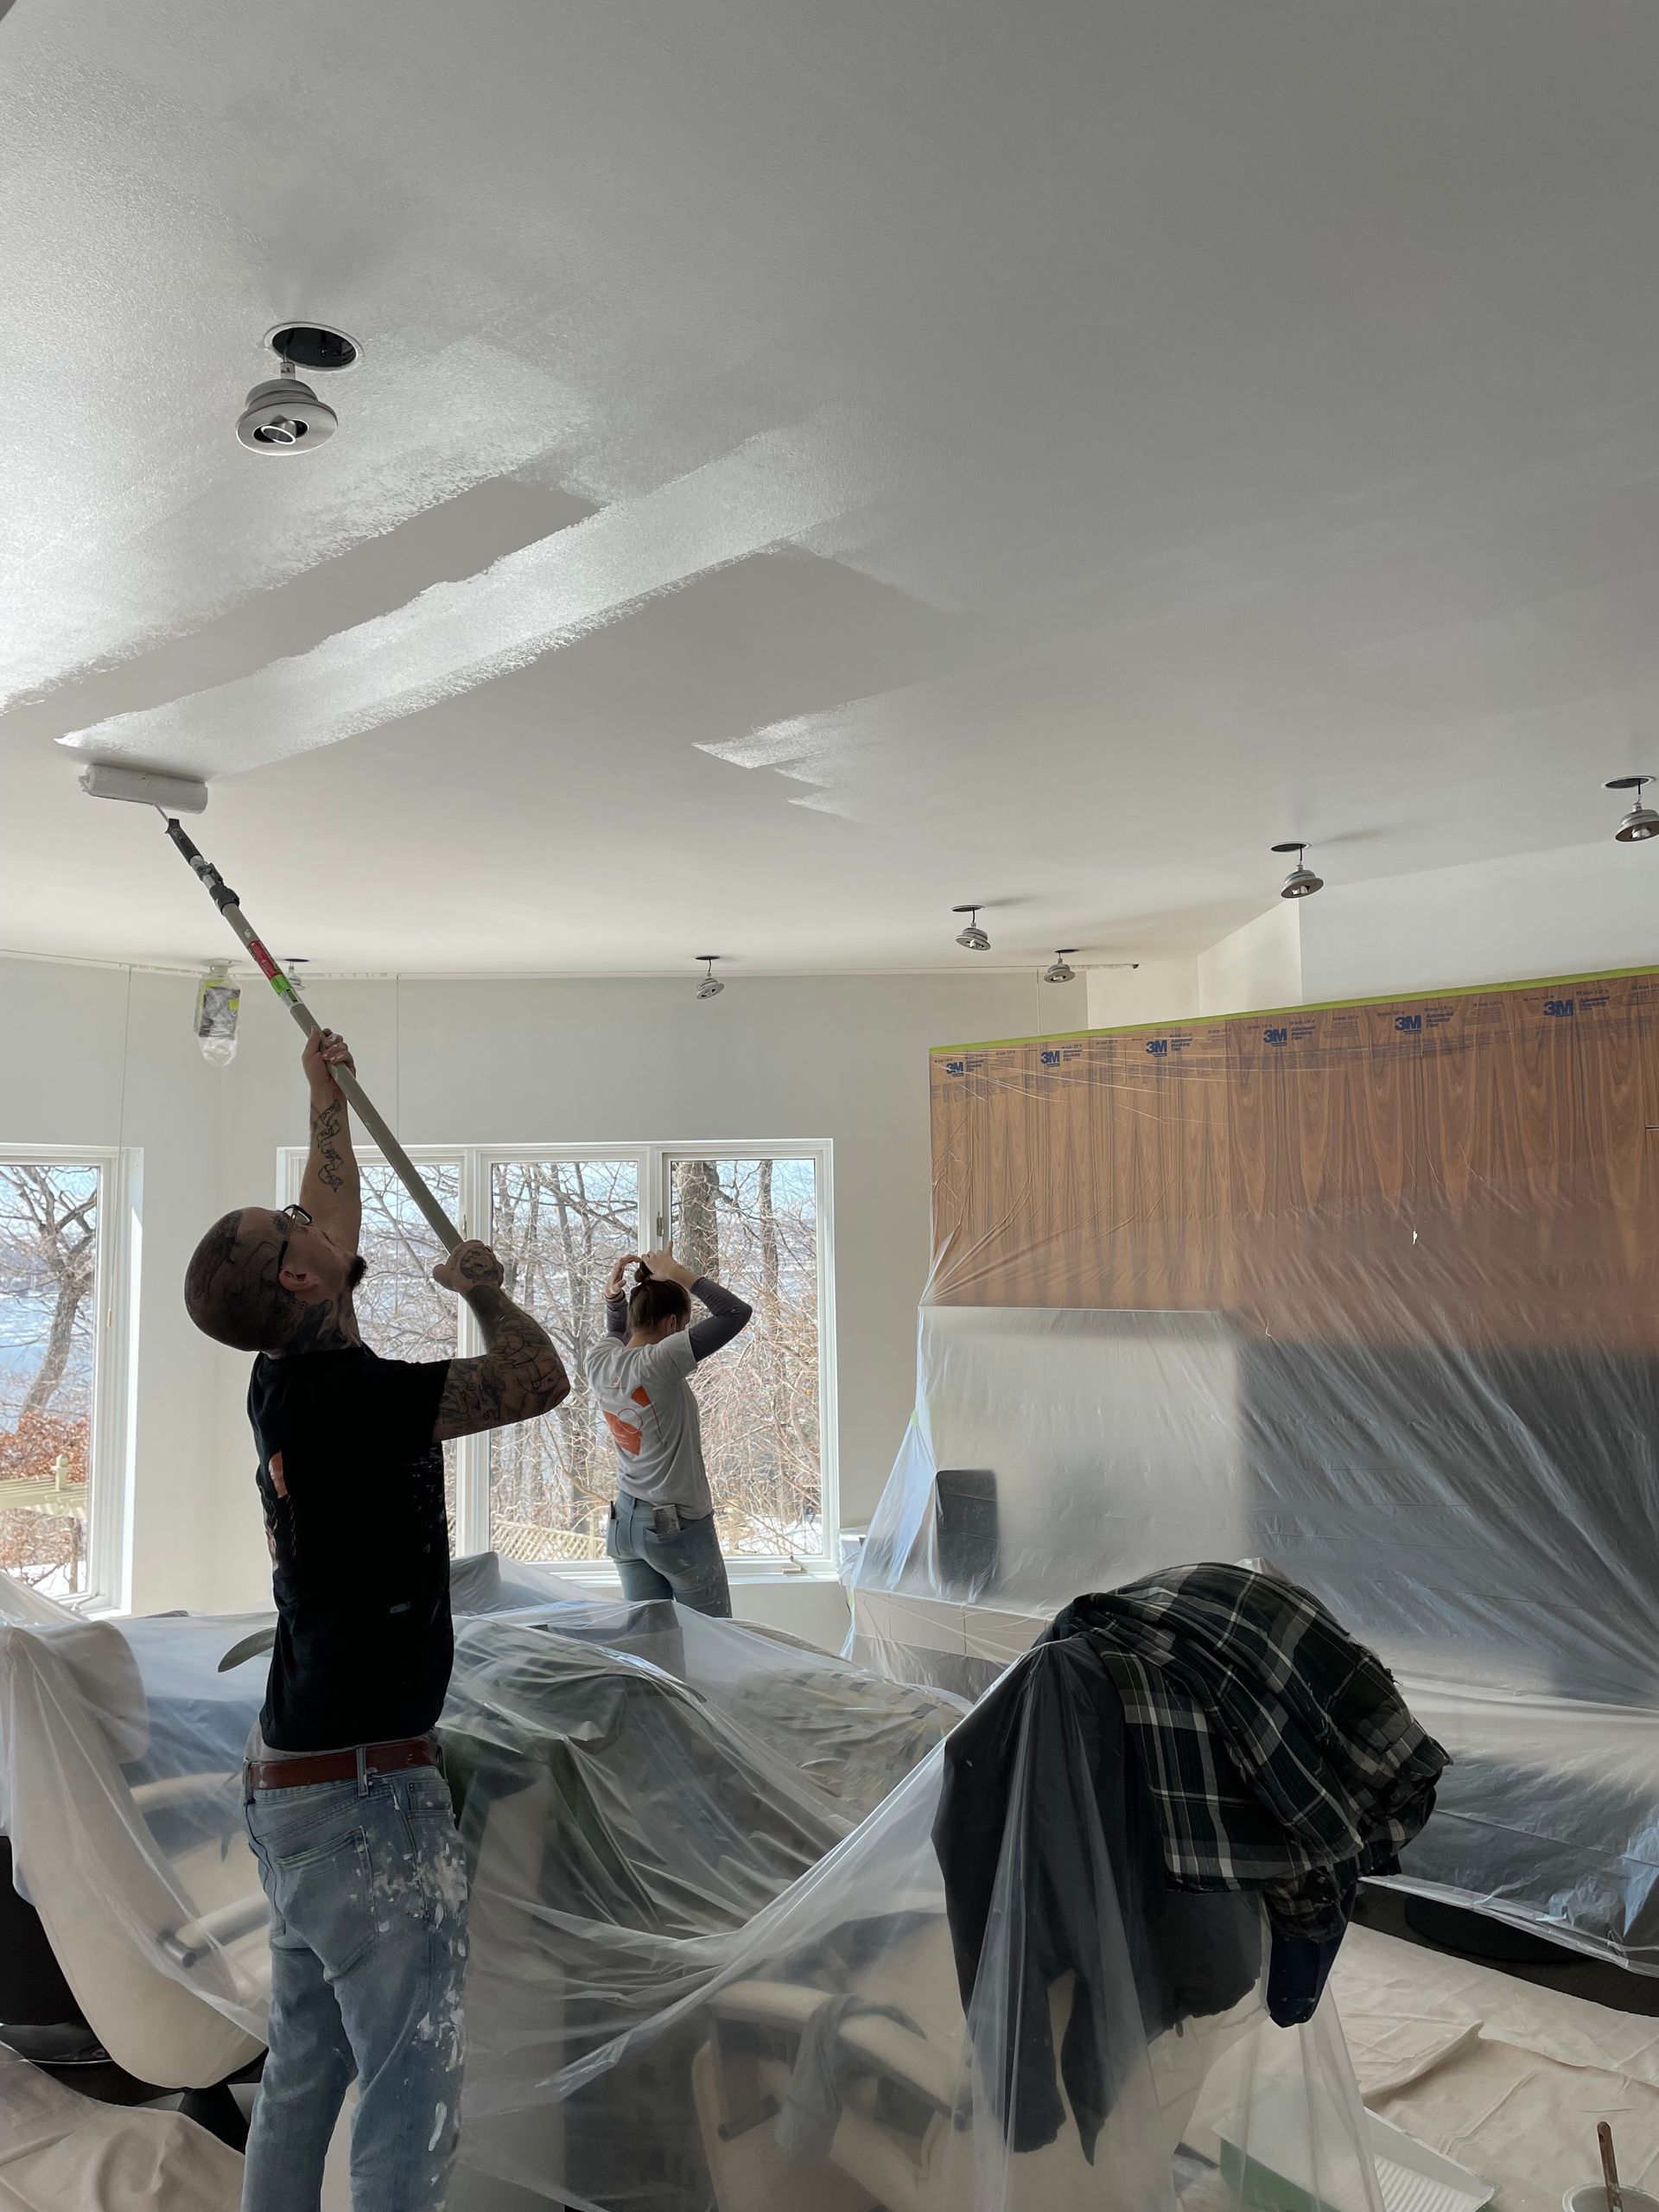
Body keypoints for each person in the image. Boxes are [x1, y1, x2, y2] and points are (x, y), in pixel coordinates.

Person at [182, 1027, 569, 2212]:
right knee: (410, 2092)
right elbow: (537, 1381)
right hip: (360, 1801)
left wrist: (326, 1103)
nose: (312, 1226)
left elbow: (328, 1221)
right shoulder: (354, 1401)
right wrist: (488, 1292)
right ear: (297, 1280)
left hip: (294, 1780)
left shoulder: (282, 1376)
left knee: (306, 2071)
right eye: (291, 1231)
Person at [586, 1248, 752, 1617]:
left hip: (624, 1524)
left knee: (653, 1649)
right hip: (674, 1527)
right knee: (714, 1643)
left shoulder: (598, 1360)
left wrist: (614, 1298)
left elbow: (617, 1333)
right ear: (672, 1324)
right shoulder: (661, 1361)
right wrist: (679, 1273)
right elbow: (736, 1313)